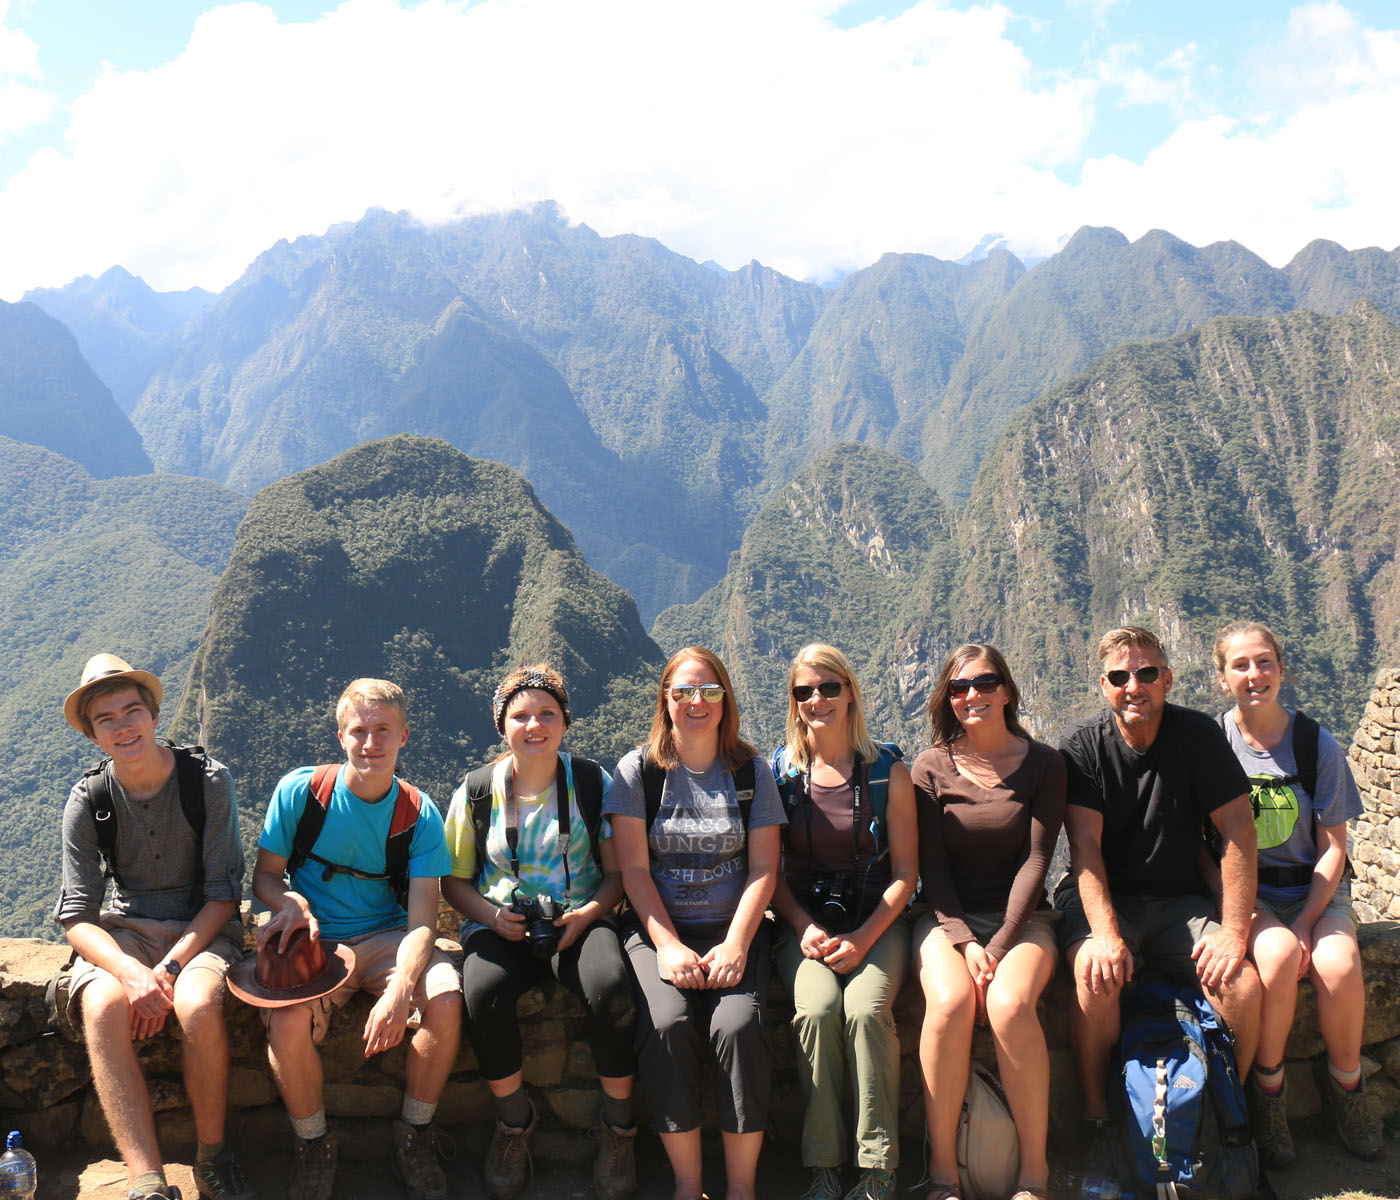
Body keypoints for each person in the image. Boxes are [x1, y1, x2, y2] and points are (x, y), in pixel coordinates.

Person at [1054, 626, 1262, 1162]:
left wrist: (1235, 931)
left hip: (1179, 902)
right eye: (1120, 677)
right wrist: (1104, 934)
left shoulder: (1196, 737)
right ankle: (1098, 1113)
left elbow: (1238, 827)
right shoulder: (1082, 748)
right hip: (1107, 898)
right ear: (1104, 686)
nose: (1134, 686)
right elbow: (1085, 849)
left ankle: (1227, 1113)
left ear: (1167, 679)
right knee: (1096, 975)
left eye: (1147, 674)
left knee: (1239, 985)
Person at [250, 678, 462, 1200]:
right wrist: (291, 904)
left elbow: (421, 921)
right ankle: (314, 1142)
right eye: (359, 731)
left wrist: (399, 989)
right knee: (286, 1017)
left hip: (389, 938)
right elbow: (265, 878)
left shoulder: (418, 814)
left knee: (446, 998)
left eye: (382, 730)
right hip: (316, 944)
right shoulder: (302, 793)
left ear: (404, 736)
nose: (371, 742)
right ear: (341, 736)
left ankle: (415, 1132)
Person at [54, 654, 254, 1200]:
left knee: (196, 1003)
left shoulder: (207, 782)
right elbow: (76, 914)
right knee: (102, 1004)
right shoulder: (89, 800)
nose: (123, 726)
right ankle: (146, 1178)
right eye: (107, 719)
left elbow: (222, 896)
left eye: (131, 710)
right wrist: (128, 971)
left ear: (154, 714)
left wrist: (164, 970)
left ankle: (213, 1157)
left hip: (201, 927)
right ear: (94, 735)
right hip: (126, 930)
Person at [441, 665, 638, 1200]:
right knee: (480, 993)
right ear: (502, 725)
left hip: (577, 917)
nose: (534, 725)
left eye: (547, 714)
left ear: (565, 722)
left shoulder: (592, 783)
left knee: (611, 991)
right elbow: (454, 883)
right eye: (520, 716)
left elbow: (617, 874)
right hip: (500, 922)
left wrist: (586, 913)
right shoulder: (478, 791)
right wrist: (490, 917)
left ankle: (619, 1129)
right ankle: (513, 1122)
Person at [604, 646, 786, 1200]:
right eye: (683, 691)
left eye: (709, 690)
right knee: (665, 1025)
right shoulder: (640, 772)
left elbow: (763, 868)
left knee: (737, 1027)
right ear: (666, 700)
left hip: (735, 931)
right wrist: (667, 945)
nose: (696, 701)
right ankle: (688, 1185)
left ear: (725, 698)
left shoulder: (752, 772)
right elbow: (634, 870)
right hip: (660, 929)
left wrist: (736, 942)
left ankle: (740, 1188)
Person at [1213, 621, 1383, 1163]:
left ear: (1282, 670)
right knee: (1280, 957)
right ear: (1222, 678)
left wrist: (1310, 918)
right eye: (1240, 665)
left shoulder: (1315, 744)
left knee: (1337, 962)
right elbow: (1203, 842)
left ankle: (1348, 1089)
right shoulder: (1214, 746)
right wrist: (1245, 909)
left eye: (1264, 662)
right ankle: (1269, 1093)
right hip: (1251, 896)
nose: (1254, 674)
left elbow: (1334, 846)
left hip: (1314, 890)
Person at [912, 645, 1065, 1200]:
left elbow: (1037, 861)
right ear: (948, 698)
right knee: (951, 1003)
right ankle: (945, 1176)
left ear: (1006, 690)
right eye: (958, 687)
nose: (971, 695)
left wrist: (996, 946)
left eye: (984, 683)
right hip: (944, 920)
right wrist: (963, 940)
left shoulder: (1045, 764)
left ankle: (1034, 1176)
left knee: (1009, 1004)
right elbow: (932, 869)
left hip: (1021, 922)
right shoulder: (930, 767)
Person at [769, 644, 917, 1200]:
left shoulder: (885, 773)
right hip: (804, 924)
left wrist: (863, 938)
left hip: (877, 920)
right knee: (817, 1008)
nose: (817, 700)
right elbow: (769, 871)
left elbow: (905, 874)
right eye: (804, 691)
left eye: (829, 687)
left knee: (865, 1009)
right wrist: (803, 925)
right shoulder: (779, 775)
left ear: (850, 691)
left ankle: (877, 1168)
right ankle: (825, 1166)